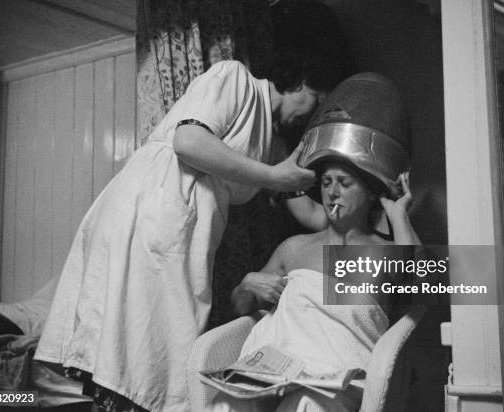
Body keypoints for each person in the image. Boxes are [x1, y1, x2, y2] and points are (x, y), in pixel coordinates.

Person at [34, 53, 345, 412]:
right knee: (137, 344)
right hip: (158, 205)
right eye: (317, 100)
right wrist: (275, 176)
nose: (312, 113)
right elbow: (188, 141)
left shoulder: (275, 144)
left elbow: (316, 216)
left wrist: (387, 204)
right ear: (300, 80)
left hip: (186, 226)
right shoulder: (236, 79)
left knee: (151, 347)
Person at [207, 159, 420, 412]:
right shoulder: (294, 247)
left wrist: (398, 215)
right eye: (326, 183)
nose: (332, 192)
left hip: (336, 380)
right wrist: (247, 284)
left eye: (344, 183)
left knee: (305, 405)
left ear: (371, 192)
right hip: (272, 371)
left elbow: (427, 282)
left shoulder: (383, 253)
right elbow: (241, 307)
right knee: (225, 402)